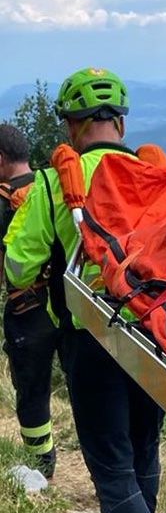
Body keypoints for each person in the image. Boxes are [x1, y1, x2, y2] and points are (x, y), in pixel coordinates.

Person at [4, 68, 166, 513]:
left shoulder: (55, 185)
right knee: (145, 448)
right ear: (119, 123)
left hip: (89, 335)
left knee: (109, 462)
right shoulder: (155, 175)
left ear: (71, 126)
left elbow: (17, 266)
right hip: (155, 332)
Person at [0, 123, 62, 479]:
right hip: (71, 305)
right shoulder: (51, 186)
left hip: (28, 309)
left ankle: (42, 462)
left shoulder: (3, 199)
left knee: (32, 388)